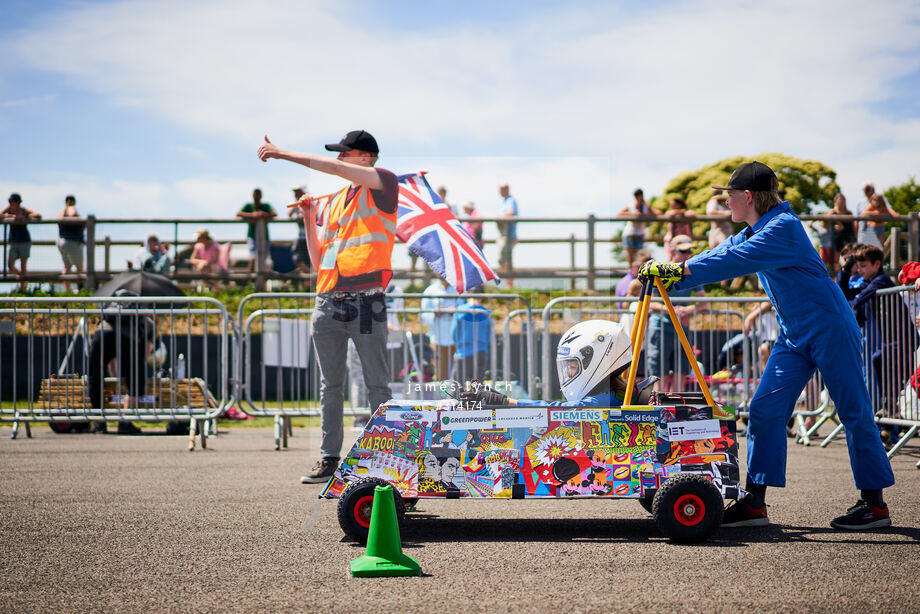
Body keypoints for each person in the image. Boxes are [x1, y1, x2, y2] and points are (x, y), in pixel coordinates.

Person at [638, 161, 895, 530]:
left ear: (747, 197)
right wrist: (673, 275)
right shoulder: (759, 227)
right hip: (794, 333)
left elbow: (733, 259)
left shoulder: (783, 227)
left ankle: (875, 506)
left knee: (853, 412)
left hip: (830, 328)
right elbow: (722, 251)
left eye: (729, 197)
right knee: (764, 411)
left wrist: (678, 273)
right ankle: (754, 503)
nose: (726, 204)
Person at [257, 129, 398, 484]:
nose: (338, 160)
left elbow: (334, 171)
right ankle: (329, 460)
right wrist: (307, 218)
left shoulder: (385, 183)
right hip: (328, 302)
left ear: (365, 158)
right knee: (329, 386)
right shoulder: (335, 201)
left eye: (343, 154)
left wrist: (282, 152)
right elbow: (321, 258)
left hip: (367, 303)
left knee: (376, 385)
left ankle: (388, 460)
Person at [460, 319, 648, 408]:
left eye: (573, 367)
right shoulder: (617, 393)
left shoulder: (605, 400)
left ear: (597, 363)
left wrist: (505, 401)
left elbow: (556, 409)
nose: (568, 374)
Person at [838, 244, 919, 443]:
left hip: (902, 340)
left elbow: (858, 300)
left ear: (877, 264)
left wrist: (856, 318)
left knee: (885, 370)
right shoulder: (870, 282)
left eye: (863, 265)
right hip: (892, 342)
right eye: (859, 266)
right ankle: (891, 421)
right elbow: (844, 292)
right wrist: (847, 268)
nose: (861, 270)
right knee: (881, 367)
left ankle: (892, 422)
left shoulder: (882, 281)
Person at [86, 290, 156, 434]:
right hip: (127, 339)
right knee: (137, 377)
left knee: (95, 376)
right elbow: (145, 353)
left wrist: (115, 379)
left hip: (102, 335)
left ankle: (99, 422)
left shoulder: (110, 313)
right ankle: (125, 420)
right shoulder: (148, 322)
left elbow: (110, 360)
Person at [421, 276, 459, 380]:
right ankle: (440, 395)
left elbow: (463, 308)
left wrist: (455, 312)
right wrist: (435, 313)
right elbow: (424, 313)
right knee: (439, 370)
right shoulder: (430, 290)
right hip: (437, 336)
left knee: (457, 371)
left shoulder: (458, 290)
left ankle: (458, 394)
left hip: (455, 337)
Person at [2, 193, 42, 292]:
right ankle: (23, 279)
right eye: (11, 201)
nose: (12, 203)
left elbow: (37, 214)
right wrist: (12, 216)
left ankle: (23, 289)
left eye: (14, 201)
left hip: (24, 240)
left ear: (18, 202)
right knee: (10, 266)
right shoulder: (9, 209)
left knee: (23, 266)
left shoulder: (23, 210)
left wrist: (24, 216)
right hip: (13, 241)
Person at [450, 289, 492, 383]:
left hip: (463, 352)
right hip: (481, 351)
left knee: (457, 386)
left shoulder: (460, 310)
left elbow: (454, 333)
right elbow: (489, 335)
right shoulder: (487, 313)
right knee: (478, 387)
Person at [237, 188, 277, 272]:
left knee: (264, 258)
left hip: (264, 237)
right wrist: (252, 215)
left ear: (261, 196)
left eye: (258, 194)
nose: (257, 196)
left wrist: (263, 214)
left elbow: (274, 213)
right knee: (253, 257)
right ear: (253, 195)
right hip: (252, 236)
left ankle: (261, 277)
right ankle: (252, 276)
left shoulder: (265, 206)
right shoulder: (248, 206)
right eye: (255, 194)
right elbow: (239, 213)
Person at [618, 188, 656, 267]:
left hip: (639, 234)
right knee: (630, 257)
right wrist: (631, 214)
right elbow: (619, 213)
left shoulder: (646, 206)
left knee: (639, 257)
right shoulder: (631, 205)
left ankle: (637, 273)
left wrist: (646, 215)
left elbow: (657, 213)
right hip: (629, 233)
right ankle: (631, 273)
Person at [56, 195, 85, 293]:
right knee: (79, 268)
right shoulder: (71, 208)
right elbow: (72, 214)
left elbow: (59, 219)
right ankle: (81, 291)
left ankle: (67, 291)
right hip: (72, 242)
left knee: (67, 267)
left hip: (62, 242)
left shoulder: (61, 211)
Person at [827, 193, 856, 273]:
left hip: (848, 237)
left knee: (849, 257)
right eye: (839, 201)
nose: (841, 203)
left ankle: (848, 273)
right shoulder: (832, 213)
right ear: (835, 202)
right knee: (836, 259)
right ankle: (836, 276)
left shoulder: (849, 213)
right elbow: (826, 224)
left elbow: (853, 226)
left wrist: (854, 237)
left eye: (843, 201)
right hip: (837, 238)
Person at [497, 184, 518, 283]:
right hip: (505, 235)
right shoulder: (505, 201)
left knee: (505, 259)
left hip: (509, 235)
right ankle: (508, 283)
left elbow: (511, 212)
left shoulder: (510, 200)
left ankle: (509, 283)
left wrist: (500, 218)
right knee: (505, 259)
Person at [288, 185, 312, 275]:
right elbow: (289, 214)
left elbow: (316, 216)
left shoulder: (311, 202)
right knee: (299, 260)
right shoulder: (297, 204)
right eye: (295, 192)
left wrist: (305, 215)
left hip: (310, 238)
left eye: (298, 191)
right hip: (302, 238)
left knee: (310, 262)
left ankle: (312, 277)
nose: (296, 194)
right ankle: (312, 276)